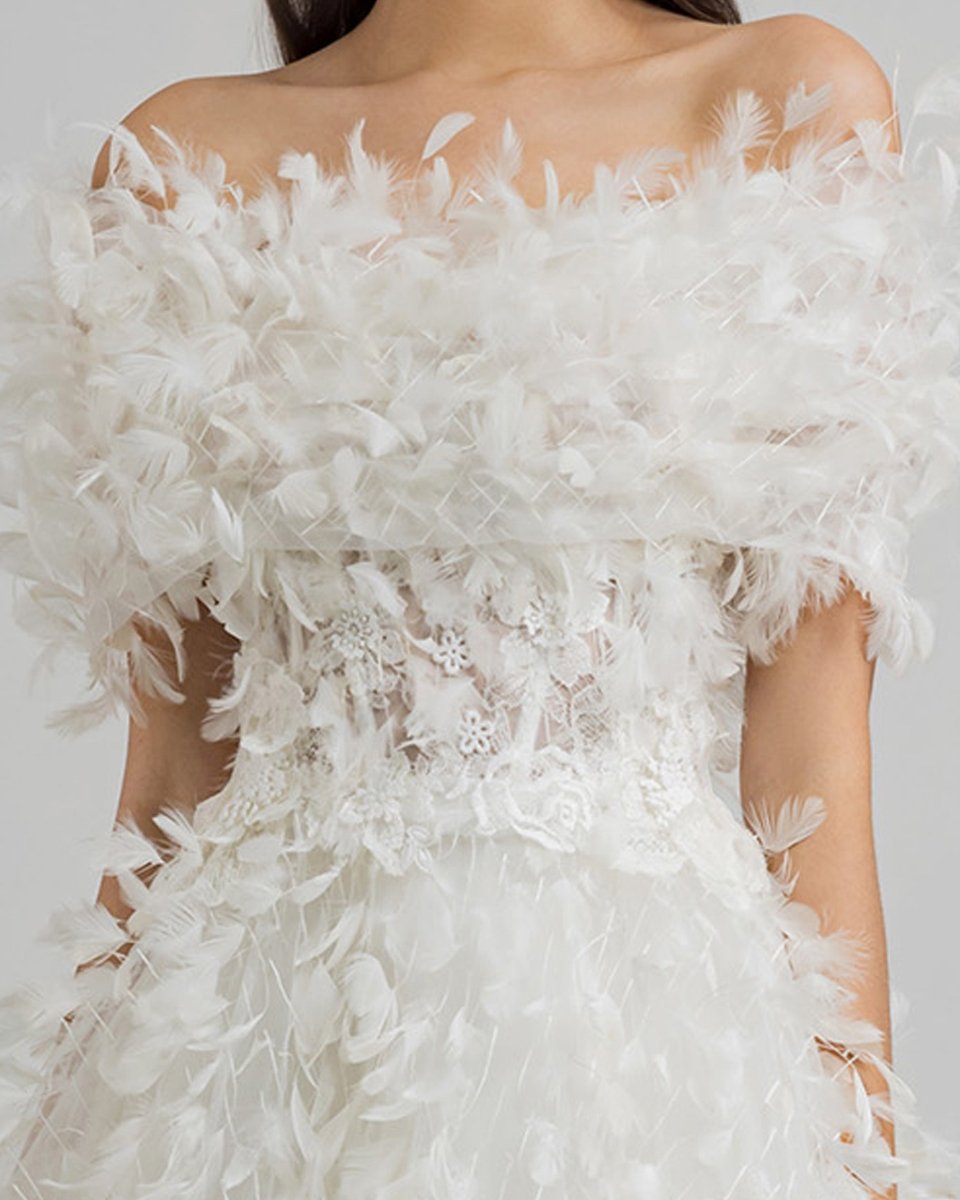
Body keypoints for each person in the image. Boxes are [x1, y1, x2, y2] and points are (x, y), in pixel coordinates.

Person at [0, 0, 959, 1196]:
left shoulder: (783, 100)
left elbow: (811, 724)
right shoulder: (180, 160)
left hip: (643, 1062)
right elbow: (176, 770)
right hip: (256, 1061)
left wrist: (865, 1161)